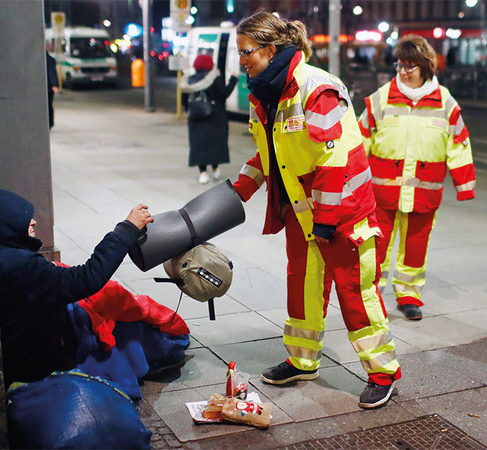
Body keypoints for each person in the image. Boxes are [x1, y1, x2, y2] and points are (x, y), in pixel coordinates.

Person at [232, 11, 401, 409]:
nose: (242, 61)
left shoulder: (316, 88)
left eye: (246, 52)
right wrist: (241, 187)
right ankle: (302, 360)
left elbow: (334, 159)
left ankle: (383, 372)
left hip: (343, 213)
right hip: (303, 211)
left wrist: (325, 220)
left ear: (270, 50)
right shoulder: (267, 92)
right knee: (302, 288)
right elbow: (271, 151)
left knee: (356, 294)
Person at [0, 189, 190, 397]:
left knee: (112, 300)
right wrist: (127, 229)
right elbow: (87, 278)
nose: (33, 222)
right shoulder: (19, 264)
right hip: (41, 365)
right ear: (6, 224)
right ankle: (157, 352)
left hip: (27, 351)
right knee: (113, 315)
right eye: (24, 218)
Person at [358, 35, 475, 321]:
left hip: (425, 193)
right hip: (383, 193)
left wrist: (465, 185)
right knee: (378, 247)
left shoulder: (444, 102)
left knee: (416, 247)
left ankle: (408, 294)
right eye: (400, 65)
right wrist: (350, 179)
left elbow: (459, 142)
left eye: (410, 66)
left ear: (425, 67)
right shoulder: (381, 98)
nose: (403, 72)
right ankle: (372, 297)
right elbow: (360, 139)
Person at [180, 54, 238, 184]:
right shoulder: (215, 79)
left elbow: (184, 101)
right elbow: (224, 93)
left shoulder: (189, 80)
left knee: (198, 145)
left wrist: (190, 111)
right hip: (215, 118)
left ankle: (203, 173)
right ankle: (215, 168)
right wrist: (233, 79)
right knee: (215, 143)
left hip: (195, 119)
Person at [46, 43, 59, 129]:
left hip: (44, 87)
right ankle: (50, 122)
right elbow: (52, 73)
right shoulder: (50, 60)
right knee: (49, 105)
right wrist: (54, 85)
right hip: (49, 87)